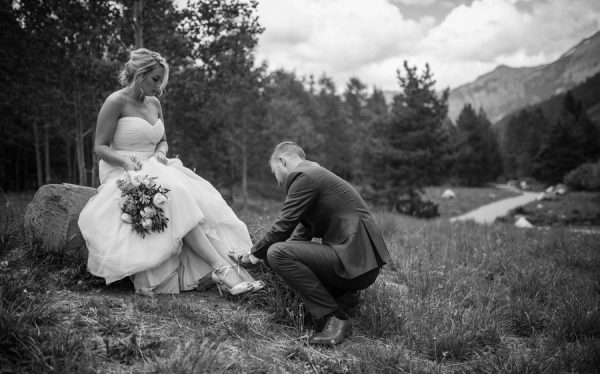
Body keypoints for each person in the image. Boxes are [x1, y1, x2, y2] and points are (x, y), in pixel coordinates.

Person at [78, 48, 263, 296]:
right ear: (139, 74)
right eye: (155, 79)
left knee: (186, 195)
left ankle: (228, 269)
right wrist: (126, 163)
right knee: (175, 193)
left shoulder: (154, 103)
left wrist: (161, 154)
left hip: (157, 166)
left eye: (161, 80)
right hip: (124, 171)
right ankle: (223, 269)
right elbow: (99, 147)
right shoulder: (116, 102)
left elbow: (162, 140)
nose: (160, 86)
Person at [239, 142, 391, 345]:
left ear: (282, 161)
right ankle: (344, 297)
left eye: (273, 171)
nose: (276, 179)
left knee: (276, 252)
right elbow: (301, 235)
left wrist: (253, 254)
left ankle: (336, 318)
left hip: (354, 260)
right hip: (360, 262)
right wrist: (270, 264)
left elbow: (283, 225)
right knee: (277, 254)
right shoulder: (315, 174)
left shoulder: (304, 176)